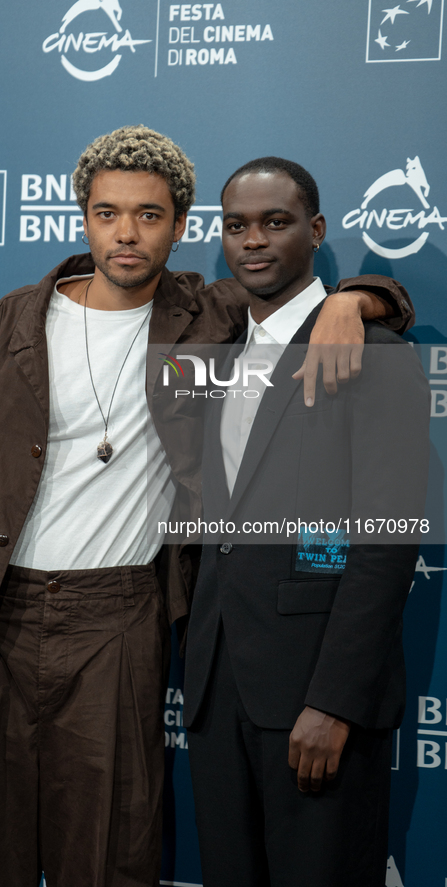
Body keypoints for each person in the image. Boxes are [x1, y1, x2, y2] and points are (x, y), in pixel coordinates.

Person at [0, 128, 414, 887]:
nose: (126, 233)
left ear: (180, 226)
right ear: (82, 217)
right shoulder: (13, 323)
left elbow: (297, 297)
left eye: (149, 215)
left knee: (105, 853)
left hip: (120, 617)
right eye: (106, 213)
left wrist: (360, 300)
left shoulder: (203, 313)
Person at [183, 157, 430, 887]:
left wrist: (333, 701)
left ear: (315, 231)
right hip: (215, 689)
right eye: (235, 225)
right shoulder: (214, 351)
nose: (252, 240)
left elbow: (384, 545)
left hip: (314, 700)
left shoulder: (373, 352)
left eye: (274, 222)